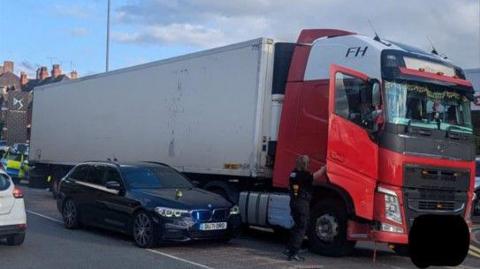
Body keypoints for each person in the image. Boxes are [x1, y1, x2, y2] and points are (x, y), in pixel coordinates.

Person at [284, 155, 326, 261]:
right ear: (305, 164)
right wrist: (324, 169)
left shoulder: (293, 174)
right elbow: (315, 176)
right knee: (302, 228)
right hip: (302, 204)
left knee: (297, 226)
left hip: (293, 202)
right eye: (308, 163)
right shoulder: (304, 175)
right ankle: (293, 253)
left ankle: (289, 249)